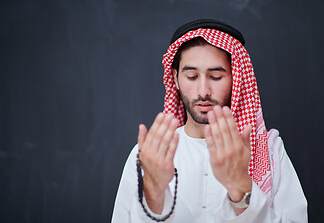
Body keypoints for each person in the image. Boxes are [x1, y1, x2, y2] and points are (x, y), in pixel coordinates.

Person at [111, 19, 308, 222]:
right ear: (176, 78)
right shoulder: (149, 155)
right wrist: (153, 195)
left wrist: (241, 187)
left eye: (215, 77)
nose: (203, 91)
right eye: (192, 77)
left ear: (236, 80)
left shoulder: (269, 151)